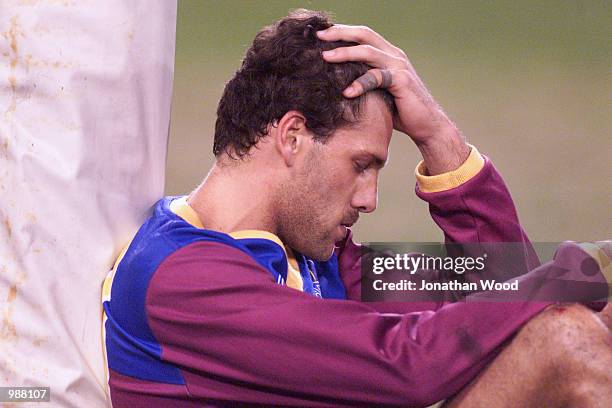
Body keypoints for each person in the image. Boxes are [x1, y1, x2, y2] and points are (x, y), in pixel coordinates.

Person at [102, 10, 612, 407]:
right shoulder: (183, 280)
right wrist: (585, 265)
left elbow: (499, 290)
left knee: (580, 317)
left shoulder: (323, 257)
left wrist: (438, 135)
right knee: (564, 341)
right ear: (293, 136)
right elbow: (406, 362)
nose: (369, 199)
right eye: (361, 164)